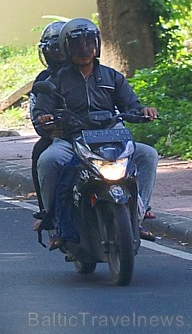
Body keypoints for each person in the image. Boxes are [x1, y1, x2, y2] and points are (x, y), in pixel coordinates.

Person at [31, 18, 159, 244]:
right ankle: (54, 219)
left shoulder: (113, 77)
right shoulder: (55, 80)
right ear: (66, 48)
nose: (84, 49)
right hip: (71, 141)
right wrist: (45, 118)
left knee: (148, 154)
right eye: (77, 44)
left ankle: (137, 216)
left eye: (89, 43)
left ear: (97, 45)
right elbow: (42, 111)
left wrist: (143, 111)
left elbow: (132, 105)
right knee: (48, 160)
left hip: (112, 138)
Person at [29, 21, 66, 218]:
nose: (59, 54)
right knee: (41, 153)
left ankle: (138, 208)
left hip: (99, 135)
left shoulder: (100, 73)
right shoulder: (44, 80)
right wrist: (47, 125)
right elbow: (36, 112)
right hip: (63, 136)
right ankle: (47, 210)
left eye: (62, 48)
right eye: (54, 49)